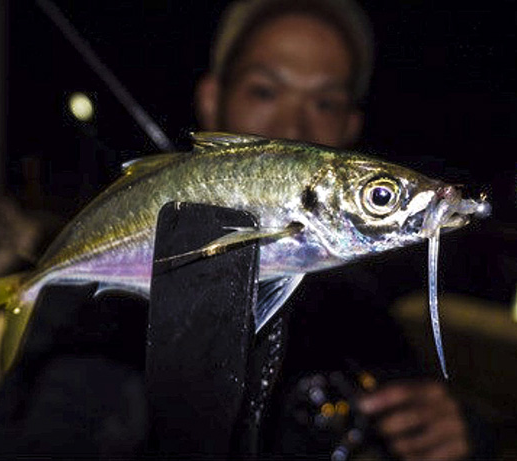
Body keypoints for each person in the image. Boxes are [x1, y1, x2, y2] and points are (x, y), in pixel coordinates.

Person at [194, 0, 495, 459]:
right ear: (211, 99)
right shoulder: (105, 312)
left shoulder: (361, 311)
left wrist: (461, 435)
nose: (293, 126)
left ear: (350, 127)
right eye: (264, 91)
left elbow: (409, 399)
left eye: (325, 102)